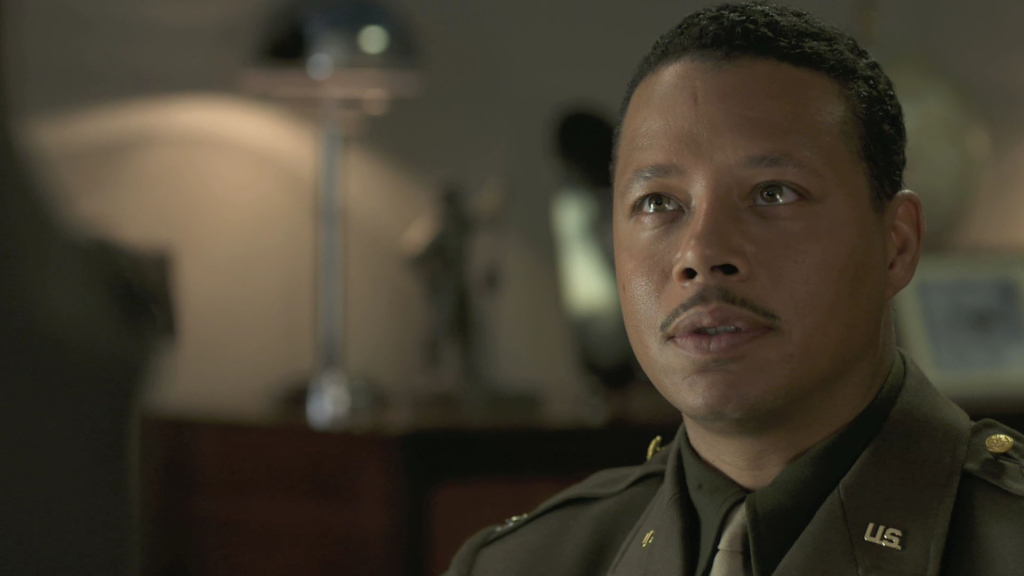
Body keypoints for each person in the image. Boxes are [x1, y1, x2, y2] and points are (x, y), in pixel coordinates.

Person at [443, 3, 1024, 575]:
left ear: (896, 244)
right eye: (658, 203)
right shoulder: (516, 564)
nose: (701, 254)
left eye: (773, 193)